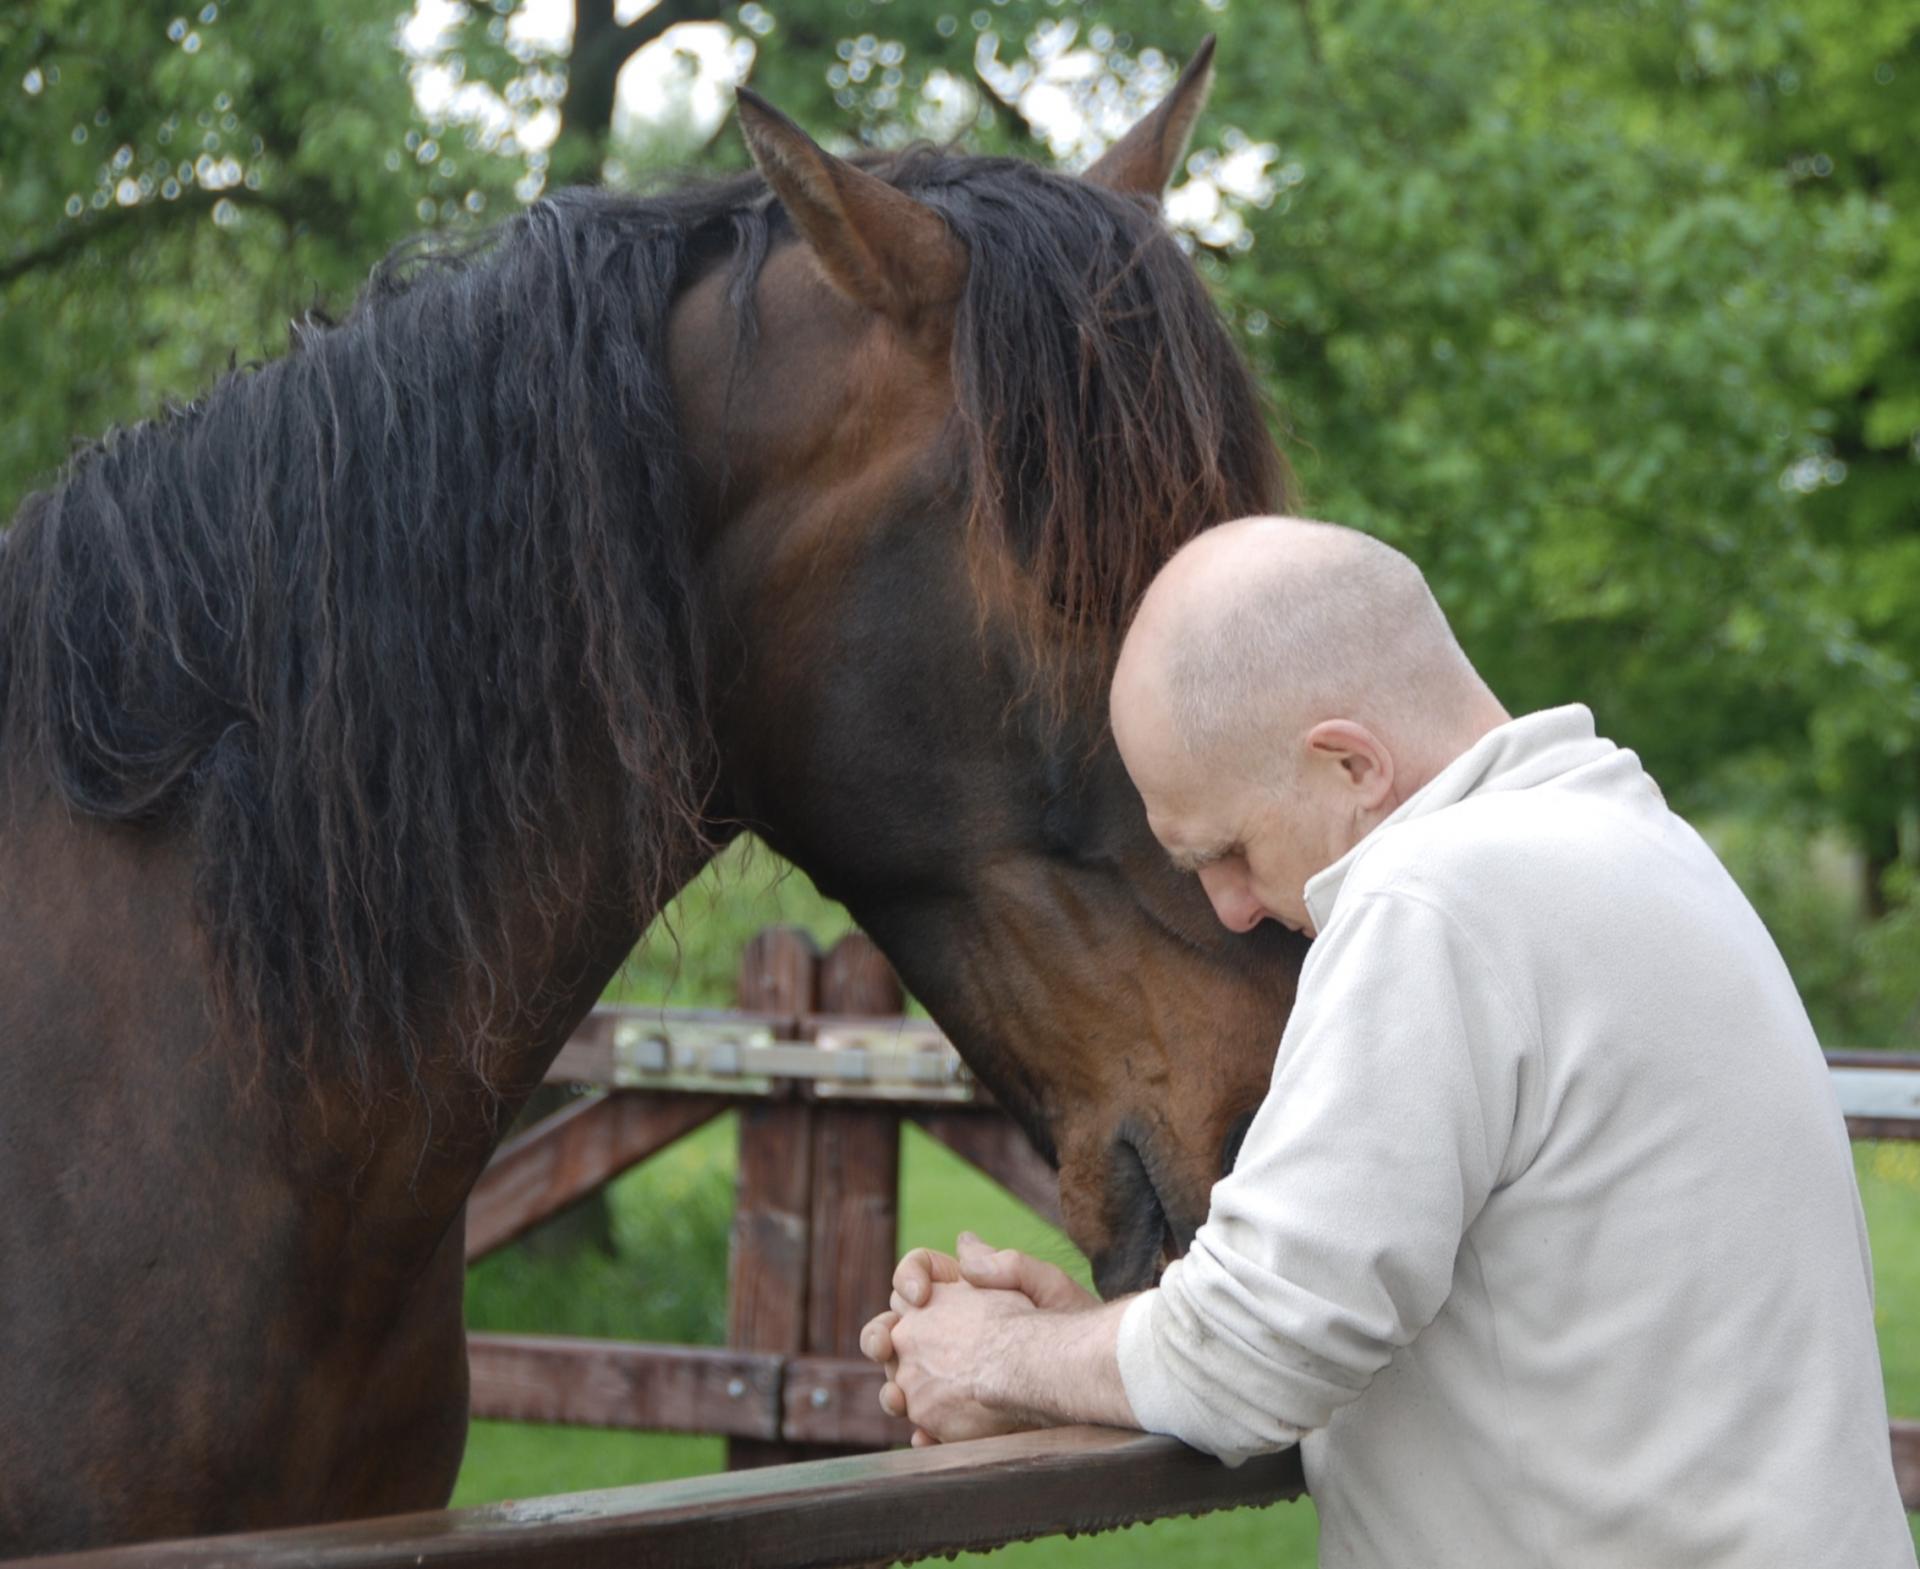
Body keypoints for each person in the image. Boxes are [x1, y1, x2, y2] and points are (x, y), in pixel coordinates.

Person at [859, 516, 1916, 1566]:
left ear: (1352, 765)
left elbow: (1255, 1348)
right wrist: (1081, 1357)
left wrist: (1000, 1354)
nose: (1231, 907)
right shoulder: (1642, 847)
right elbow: (1411, 1320)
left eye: (1229, 850)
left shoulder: (1434, 895)